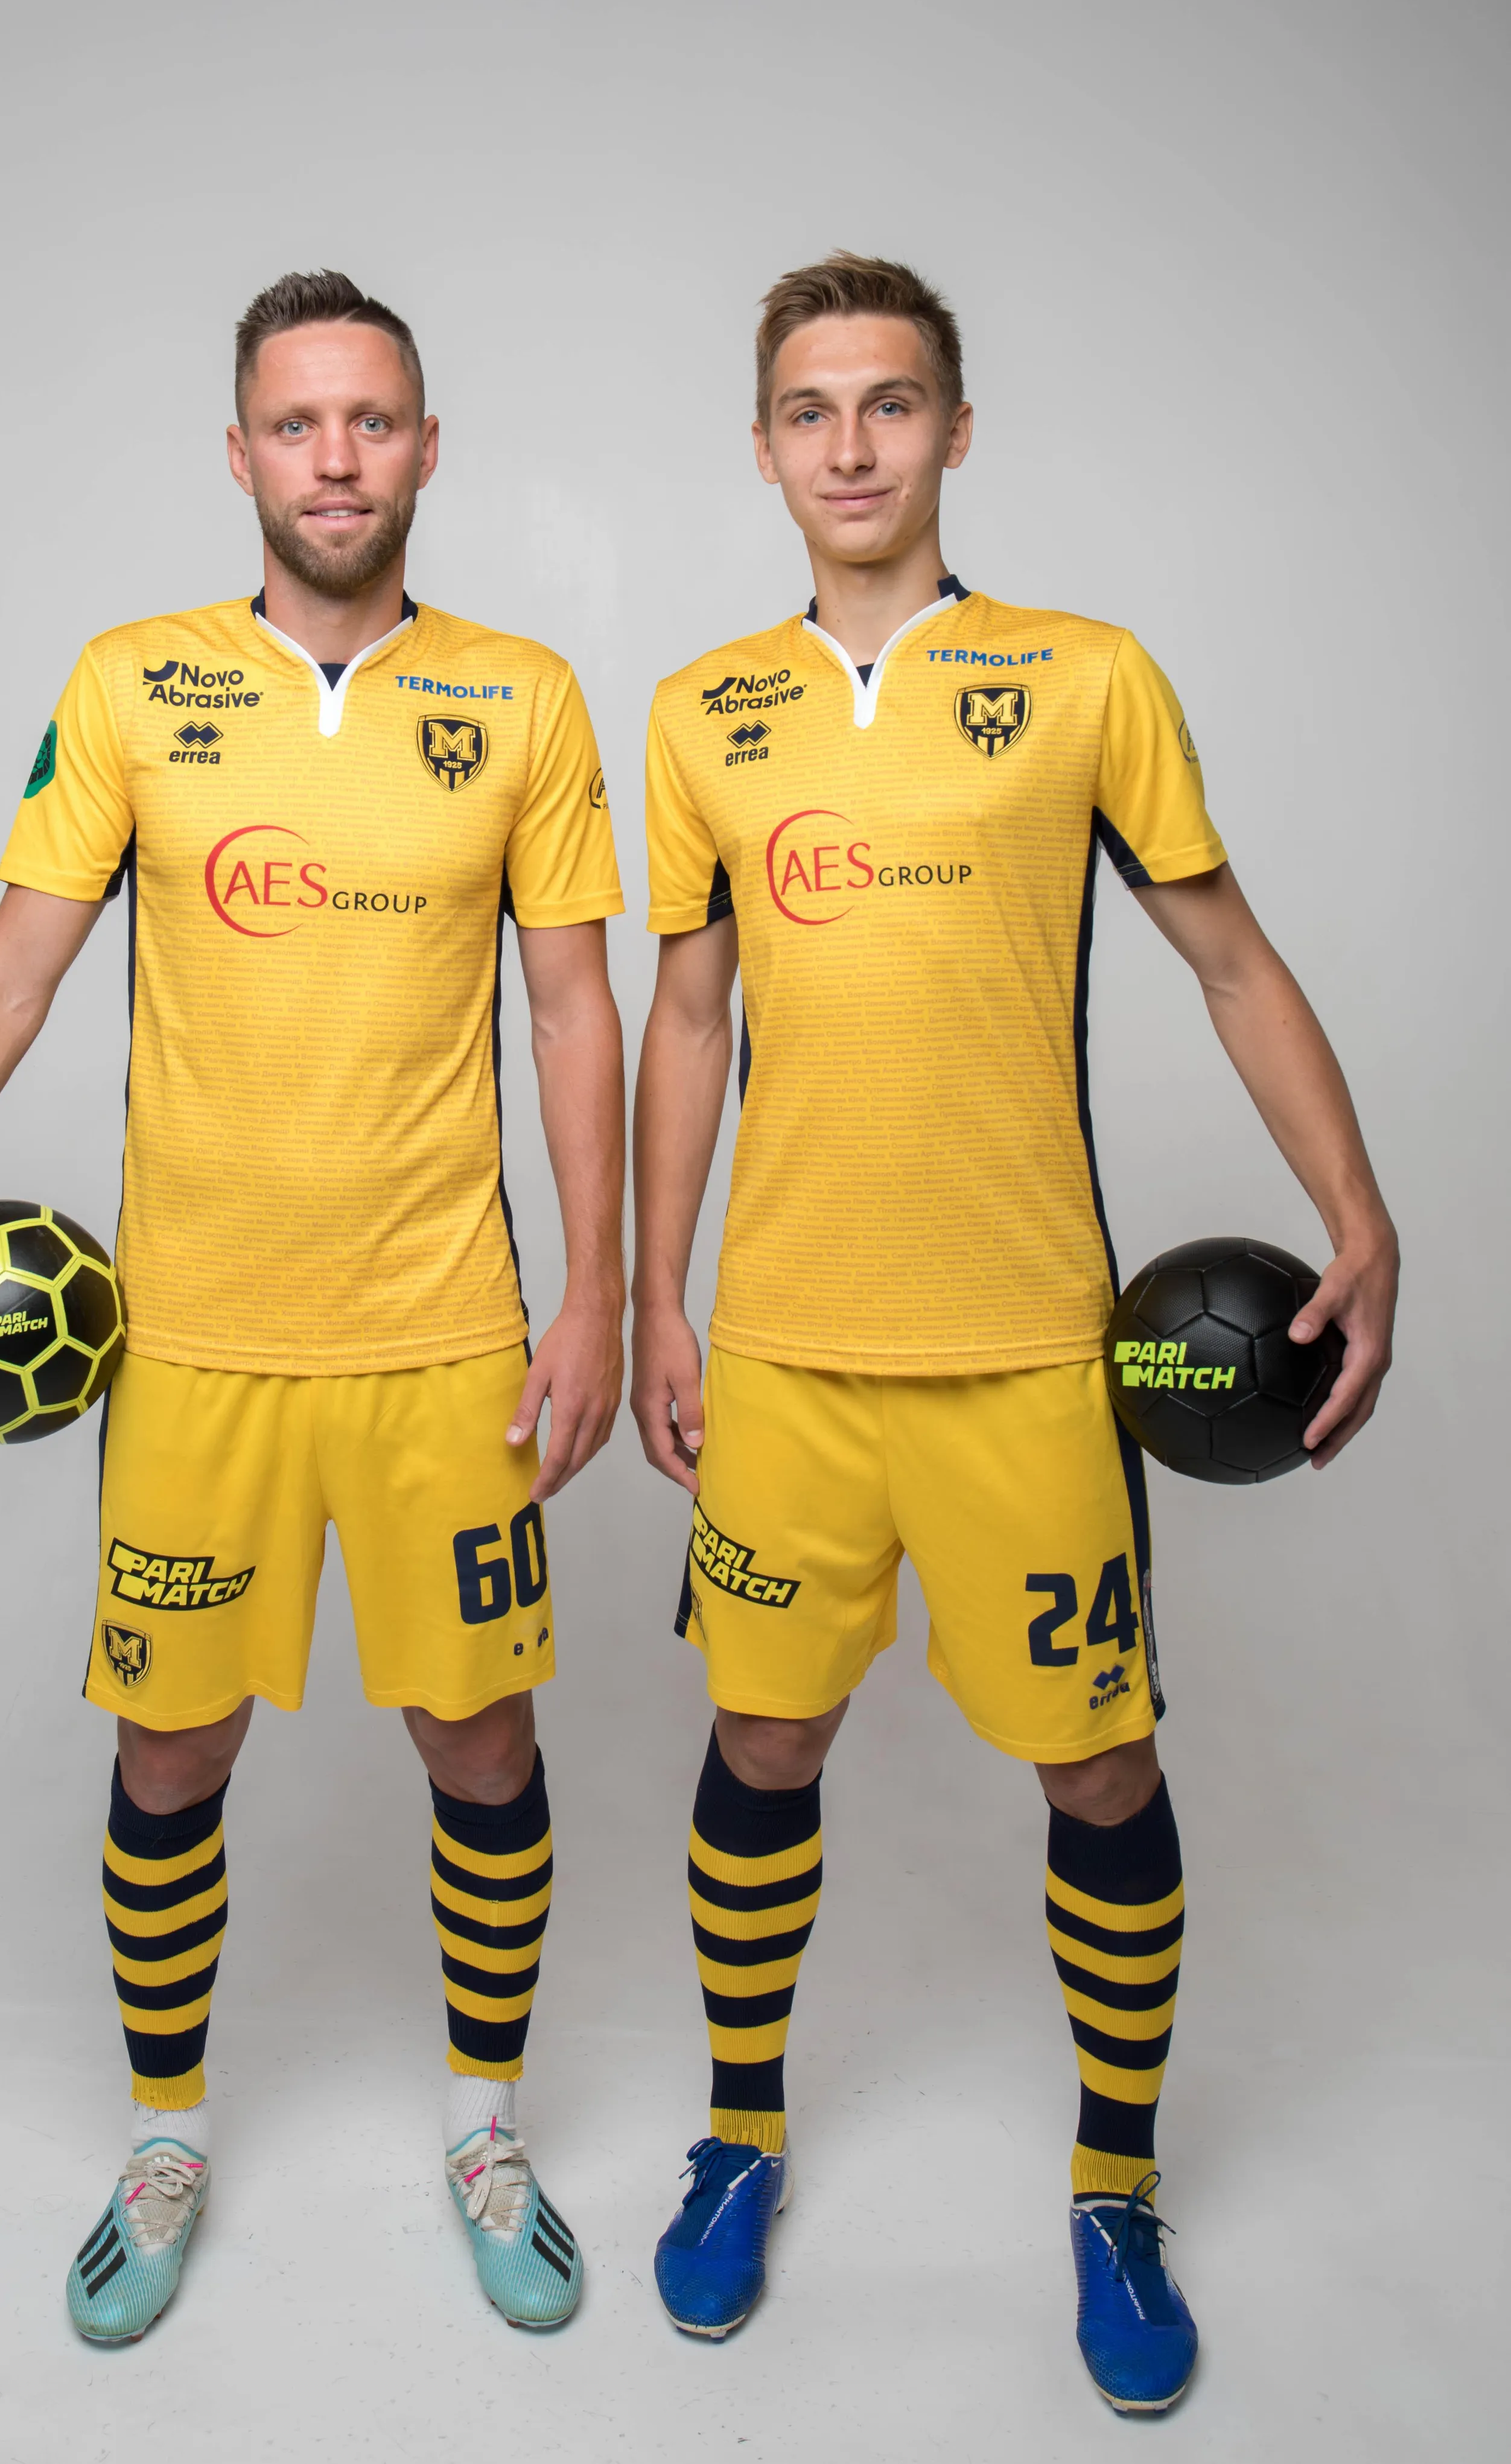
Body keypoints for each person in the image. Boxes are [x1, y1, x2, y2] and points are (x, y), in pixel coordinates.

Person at [629, 251, 1396, 2411]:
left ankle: (1117, 2184)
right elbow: (684, 1018)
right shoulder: (701, 711)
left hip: (1033, 1355)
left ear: (956, 429)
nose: (852, 444)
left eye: (891, 402)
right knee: (763, 1743)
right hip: (789, 1355)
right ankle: (740, 2133)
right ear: (763, 445)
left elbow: (1231, 961)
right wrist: (654, 1291)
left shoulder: (1083, 678)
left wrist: (1361, 1215)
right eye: (810, 408)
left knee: (1101, 1764)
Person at [0, 271, 626, 2343]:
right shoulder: (131, 686)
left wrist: (603, 1291)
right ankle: (167, 2135)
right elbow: (17, 962)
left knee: (482, 1735)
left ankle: (484, 2125)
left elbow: (571, 1008)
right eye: (297, 423)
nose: (336, 460)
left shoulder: (524, 699)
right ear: (244, 452)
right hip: (191, 1346)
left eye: (372, 421)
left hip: (445, 1334)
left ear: (428, 446)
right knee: (172, 1748)